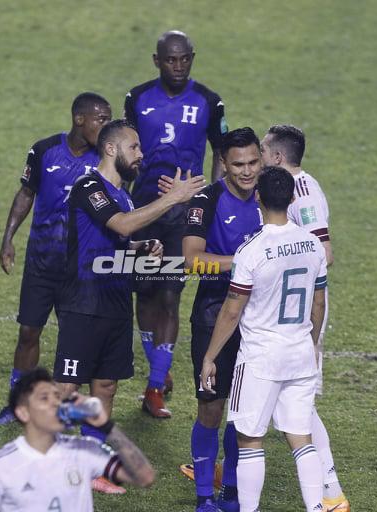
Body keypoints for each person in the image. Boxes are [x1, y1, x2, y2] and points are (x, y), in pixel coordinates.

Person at [56, 119, 204, 493]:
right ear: (111, 149)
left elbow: (117, 241)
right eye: (134, 147)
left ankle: (90, 469)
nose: (142, 154)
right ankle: (48, 461)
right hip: (83, 304)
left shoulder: (125, 197)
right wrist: (173, 198)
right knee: (66, 388)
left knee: (105, 386)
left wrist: (142, 248)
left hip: (116, 306)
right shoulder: (90, 186)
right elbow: (120, 226)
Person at [201, 166, 328, 512]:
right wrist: (312, 343)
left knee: (249, 439)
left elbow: (231, 310)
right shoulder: (313, 244)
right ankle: (317, 507)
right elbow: (318, 303)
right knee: (301, 438)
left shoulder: (252, 251)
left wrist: (210, 355)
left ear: (258, 197)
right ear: (291, 199)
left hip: (259, 358)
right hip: (300, 353)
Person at [0, 93, 112, 425]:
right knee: (28, 332)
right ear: (79, 119)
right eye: (101, 119)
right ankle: (18, 406)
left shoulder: (105, 159)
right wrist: (8, 238)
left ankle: (69, 409)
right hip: (41, 264)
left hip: (82, 271)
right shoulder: (44, 151)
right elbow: (26, 193)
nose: (106, 126)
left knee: (77, 341)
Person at [124, 30, 228, 417]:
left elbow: (221, 151)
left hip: (183, 216)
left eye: (185, 59)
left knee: (170, 295)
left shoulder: (209, 101)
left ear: (192, 58)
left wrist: (210, 196)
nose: (179, 66)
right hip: (143, 210)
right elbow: (126, 150)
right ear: (157, 61)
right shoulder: (136, 98)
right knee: (145, 293)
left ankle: (154, 387)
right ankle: (159, 367)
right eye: (171, 59)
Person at [164, 127, 261, 512]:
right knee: (211, 407)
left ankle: (233, 494)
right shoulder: (207, 200)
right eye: (238, 164)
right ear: (223, 163)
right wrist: (246, 262)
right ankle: (205, 497)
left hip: (260, 318)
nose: (248, 171)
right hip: (214, 313)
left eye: (254, 161)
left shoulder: (273, 193)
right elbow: (191, 259)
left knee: (245, 411)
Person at [260, 124, 349, 511]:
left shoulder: (304, 192)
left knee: (298, 405)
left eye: (263, 151)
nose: (256, 159)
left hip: (298, 311)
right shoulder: (283, 188)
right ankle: (231, 469)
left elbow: (323, 253)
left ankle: (331, 492)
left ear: (278, 158)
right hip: (280, 308)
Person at [0, 368, 155, 512]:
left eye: (57, 397)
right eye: (44, 398)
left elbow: (144, 477)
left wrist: (107, 426)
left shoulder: (85, 450)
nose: (55, 403)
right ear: (23, 412)